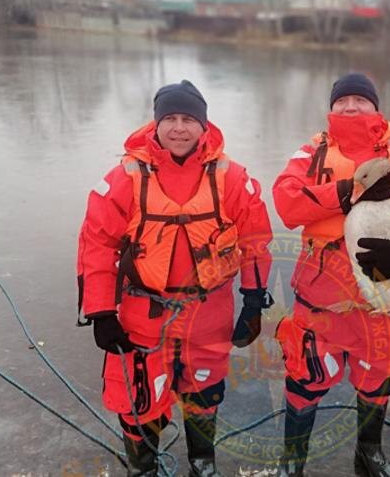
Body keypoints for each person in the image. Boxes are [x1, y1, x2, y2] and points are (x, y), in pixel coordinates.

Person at [76, 80, 273, 477]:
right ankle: (143, 467)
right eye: (170, 119)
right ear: (156, 124)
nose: (179, 128)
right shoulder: (126, 177)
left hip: (208, 313)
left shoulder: (232, 178)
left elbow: (255, 242)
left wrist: (253, 301)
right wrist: (100, 312)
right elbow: (96, 243)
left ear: (204, 126)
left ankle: (203, 463)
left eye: (188, 119)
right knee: (139, 398)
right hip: (142, 314)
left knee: (204, 394)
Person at [272, 73, 390, 477]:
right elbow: (286, 201)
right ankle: (292, 462)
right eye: (343, 100)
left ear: (376, 107)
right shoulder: (311, 153)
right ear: (331, 108)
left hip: (383, 298)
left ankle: (368, 453)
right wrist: (349, 191)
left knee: (379, 377)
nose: (351, 107)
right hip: (319, 298)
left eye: (360, 99)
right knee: (304, 377)